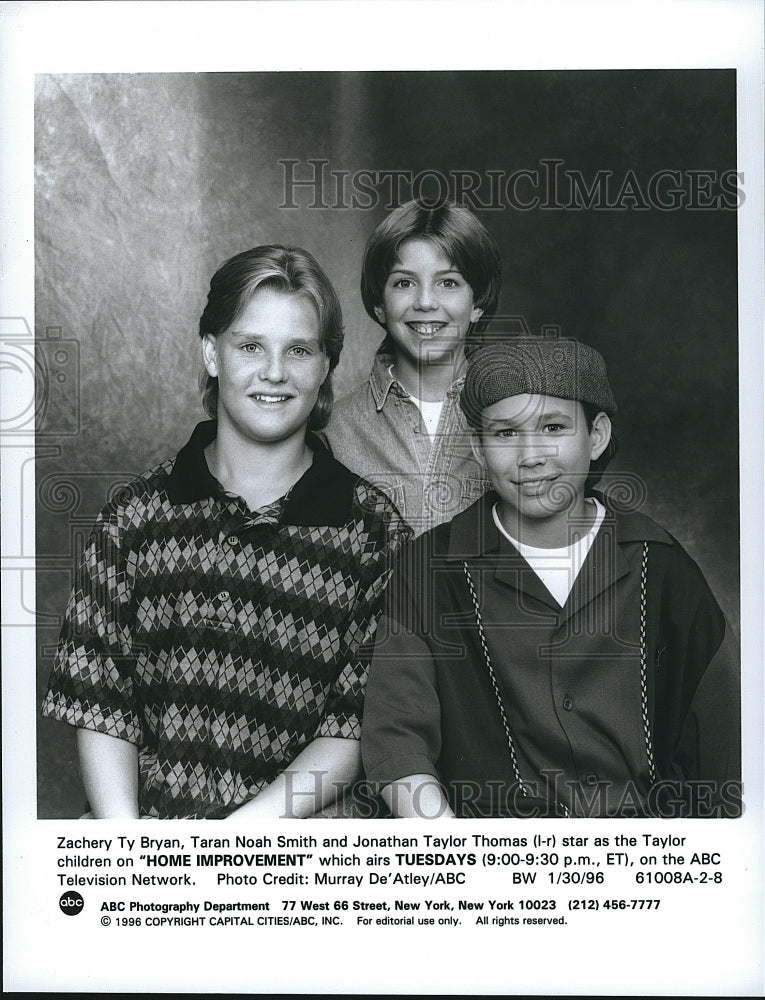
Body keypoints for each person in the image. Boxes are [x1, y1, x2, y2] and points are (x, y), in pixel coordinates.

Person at [42, 245, 411, 820]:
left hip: (299, 860)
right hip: (145, 846)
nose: (274, 372)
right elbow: (100, 703)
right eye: (250, 346)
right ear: (212, 353)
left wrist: (234, 843)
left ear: (326, 367)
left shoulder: (373, 532)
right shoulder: (135, 518)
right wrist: (130, 854)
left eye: (299, 350)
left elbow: (357, 724)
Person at [361, 337, 741, 819]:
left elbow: (727, 744)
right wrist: (453, 857)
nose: (531, 456)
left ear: (597, 436)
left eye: (554, 427)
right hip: (490, 863)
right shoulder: (428, 569)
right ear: (477, 449)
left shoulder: (660, 567)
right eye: (504, 435)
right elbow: (396, 740)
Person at [323, 199, 502, 535]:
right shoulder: (334, 431)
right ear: (379, 304)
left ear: (477, 303)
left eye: (448, 283)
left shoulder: (517, 419)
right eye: (404, 283)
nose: (424, 302)